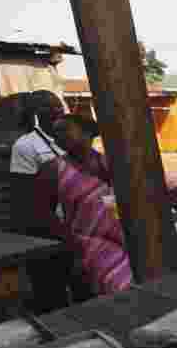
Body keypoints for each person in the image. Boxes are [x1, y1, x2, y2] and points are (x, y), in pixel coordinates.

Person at [33, 114, 132, 296]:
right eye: (55, 133)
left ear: (87, 133)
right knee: (119, 284)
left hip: (125, 236)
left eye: (64, 130)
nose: (58, 137)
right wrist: (71, 243)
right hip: (88, 241)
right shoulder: (53, 170)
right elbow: (42, 212)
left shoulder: (110, 163)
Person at [9, 90, 66, 174]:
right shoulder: (25, 145)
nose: (57, 110)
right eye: (48, 106)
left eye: (59, 106)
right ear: (35, 112)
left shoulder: (73, 136)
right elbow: (23, 184)